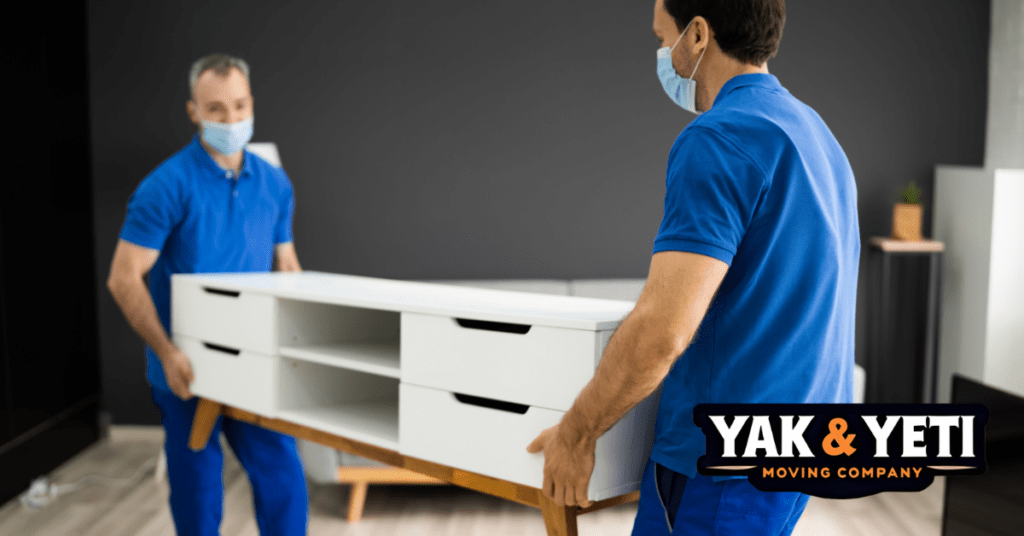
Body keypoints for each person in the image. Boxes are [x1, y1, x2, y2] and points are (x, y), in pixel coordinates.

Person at [527, 0, 859, 534]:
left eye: (664, 38)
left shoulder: (720, 138)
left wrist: (577, 433)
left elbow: (662, 330)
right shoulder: (816, 134)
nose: (663, 54)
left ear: (698, 35)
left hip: (718, 469)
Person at [107, 53, 308, 536]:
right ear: (193, 112)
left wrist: (296, 345)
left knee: (283, 478)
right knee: (197, 489)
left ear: (252, 103)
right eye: (216, 109)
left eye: (239, 106)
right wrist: (167, 352)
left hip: (254, 358)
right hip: (186, 365)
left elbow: (287, 266)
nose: (232, 119)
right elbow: (123, 277)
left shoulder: (275, 183)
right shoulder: (166, 185)